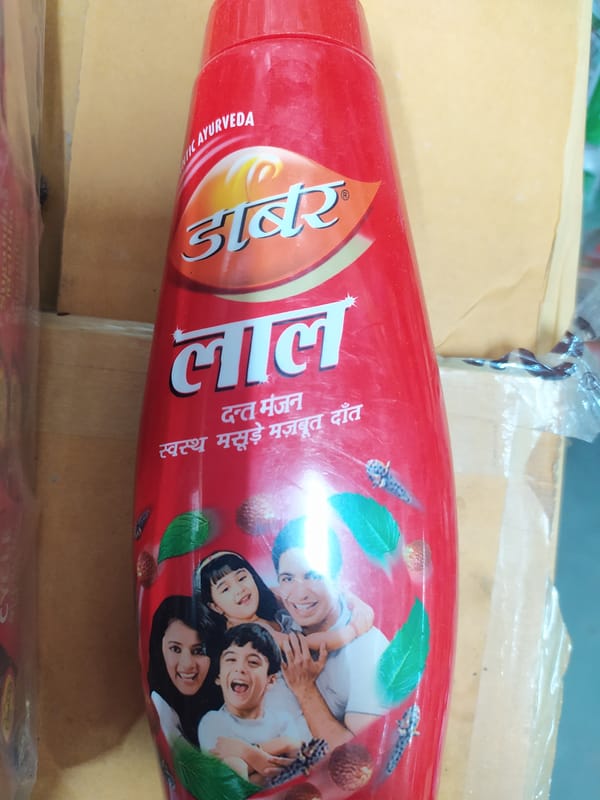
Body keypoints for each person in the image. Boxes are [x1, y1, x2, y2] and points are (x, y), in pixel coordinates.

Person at [271, 518, 390, 748]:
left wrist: (305, 691)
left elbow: (360, 755)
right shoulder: (281, 619)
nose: (300, 594)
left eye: (313, 575)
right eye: (288, 579)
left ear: (337, 577)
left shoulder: (368, 651)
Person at [193, 549, 373, 652]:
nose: (239, 589)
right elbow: (306, 646)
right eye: (225, 589)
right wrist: (353, 630)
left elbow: (317, 591)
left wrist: (355, 602)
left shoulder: (265, 599)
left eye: (241, 578)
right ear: (215, 606)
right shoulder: (247, 632)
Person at [198, 623, 311, 783]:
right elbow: (231, 781)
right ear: (218, 677)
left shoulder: (283, 721)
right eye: (231, 659)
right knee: (234, 764)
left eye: (253, 662)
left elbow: (297, 771)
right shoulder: (213, 722)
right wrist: (283, 745)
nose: (240, 668)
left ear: (270, 681)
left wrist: (244, 751)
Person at [148, 595, 222, 746]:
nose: (187, 664)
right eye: (175, 649)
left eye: (199, 651)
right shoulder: (159, 706)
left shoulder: (226, 694)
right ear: (159, 649)